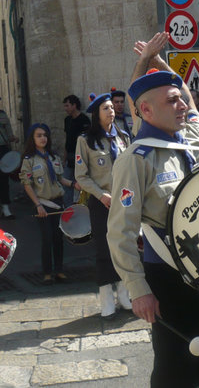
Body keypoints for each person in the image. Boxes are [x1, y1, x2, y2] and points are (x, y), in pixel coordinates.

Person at [107, 32, 199, 387]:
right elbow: (120, 231)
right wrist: (138, 288)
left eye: (180, 100)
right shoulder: (136, 158)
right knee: (177, 366)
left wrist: (160, 63)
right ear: (146, 111)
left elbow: (183, 93)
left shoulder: (190, 138)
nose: (183, 105)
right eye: (171, 101)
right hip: (169, 277)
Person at [75, 92, 131, 319]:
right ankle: (107, 297)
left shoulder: (123, 137)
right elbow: (82, 176)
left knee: (125, 248)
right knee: (104, 250)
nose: (111, 111)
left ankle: (125, 293)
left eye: (112, 107)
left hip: (124, 201)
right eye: (106, 108)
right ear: (97, 114)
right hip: (101, 203)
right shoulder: (86, 141)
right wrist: (101, 195)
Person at [20, 123, 80, 284]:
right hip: (43, 204)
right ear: (32, 139)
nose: (43, 138)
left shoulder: (54, 157)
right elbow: (27, 184)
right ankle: (47, 273)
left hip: (58, 203)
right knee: (46, 239)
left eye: (45, 135)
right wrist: (38, 205)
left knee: (58, 238)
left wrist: (74, 184)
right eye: (39, 135)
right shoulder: (29, 160)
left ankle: (59, 271)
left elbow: (60, 179)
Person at [63, 95, 91, 206]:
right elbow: (67, 139)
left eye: (67, 105)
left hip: (81, 157)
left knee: (81, 184)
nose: (65, 108)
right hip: (69, 156)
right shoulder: (67, 120)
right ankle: (68, 209)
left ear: (74, 105)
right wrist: (64, 158)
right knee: (67, 183)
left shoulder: (84, 120)